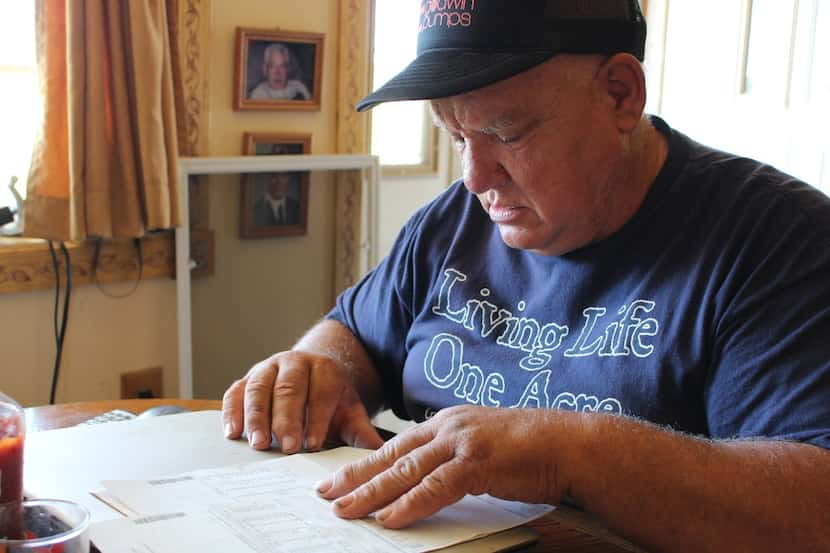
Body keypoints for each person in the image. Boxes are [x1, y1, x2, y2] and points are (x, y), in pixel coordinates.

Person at [222, 2, 830, 551]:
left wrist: (568, 454)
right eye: (455, 135)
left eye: (504, 134)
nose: (474, 178)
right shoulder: (453, 221)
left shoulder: (777, 239)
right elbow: (353, 334)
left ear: (620, 94)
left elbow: (813, 507)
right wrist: (314, 368)